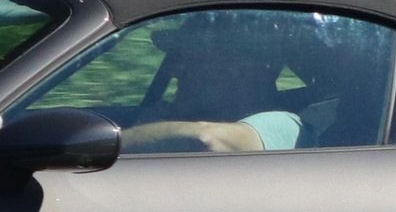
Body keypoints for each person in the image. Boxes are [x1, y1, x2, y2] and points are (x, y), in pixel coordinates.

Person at [122, 32, 303, 153]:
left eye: (191, 58)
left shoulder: (281, 123)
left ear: (239, 69)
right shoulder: (165, 114)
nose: (174, 71)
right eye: (178, 58)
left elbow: (204, 138)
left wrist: (106, 145)